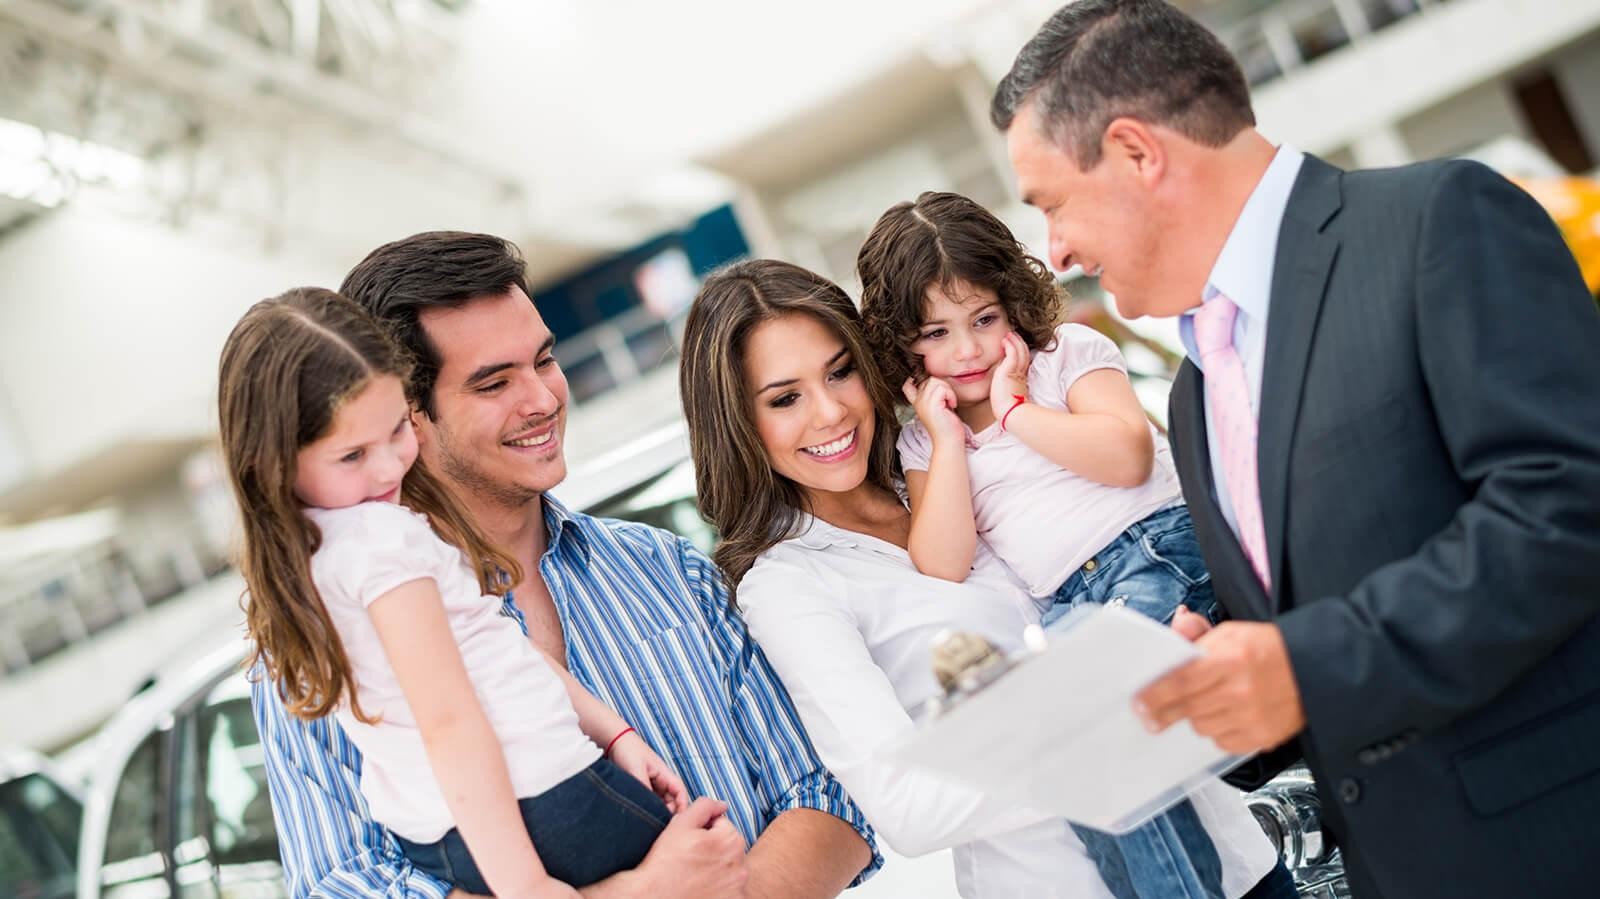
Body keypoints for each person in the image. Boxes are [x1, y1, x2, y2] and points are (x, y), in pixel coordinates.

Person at [990, 2, 1600, 897]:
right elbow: (1310, 624)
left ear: (1136, 153)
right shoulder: (1195, 391)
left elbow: (1569, 506)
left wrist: (1302, 664)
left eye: (1052, 206)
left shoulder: (1436, 224)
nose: (1059, 250)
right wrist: (1215, 693)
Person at [247, 233, 880, 899]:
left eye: (543, 360)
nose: (543, 398)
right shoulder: (313, 646)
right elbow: (344, 887)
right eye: (494, 382)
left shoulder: (669, 573)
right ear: (406, 415)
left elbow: (829, 796)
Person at [678, 258, 1286, 899]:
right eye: (785, 398)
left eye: (840, 371)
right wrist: (1108, 714)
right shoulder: (787, 584)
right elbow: (906, 806)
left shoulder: (954, 454)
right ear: (737, 423)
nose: (830, 412)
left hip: (1239, 855)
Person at [854, 191, 1291, 899]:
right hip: (1069, 609)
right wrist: (946, 441)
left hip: (1154, 554)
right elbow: (942, 559)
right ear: (899, 342)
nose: (965, 350)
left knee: (1093, 724)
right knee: (1083, 757)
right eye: (934, 334)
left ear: (1014, 303)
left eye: (984, 320)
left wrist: (1016, 410)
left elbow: (1127, 457)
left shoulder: (1065, 358)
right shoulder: (924, 437)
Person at [219, 288, 690, 896]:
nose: (389, 468)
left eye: (395, 432)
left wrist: (615, 733)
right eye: (352, 454)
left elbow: (495, 647)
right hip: (546, 795)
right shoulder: (382, 541)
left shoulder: (300, 569)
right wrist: (526, 887)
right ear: (275, 462)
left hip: (442, 838)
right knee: (708, 861)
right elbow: (450, 720)